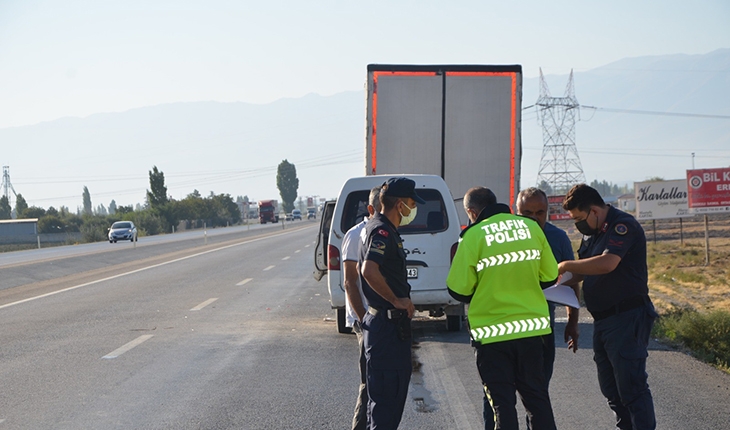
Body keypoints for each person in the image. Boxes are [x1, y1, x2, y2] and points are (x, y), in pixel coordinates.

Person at [447, 186, 558, 430]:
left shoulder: (472, 236)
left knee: (502, 405)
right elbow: (549, 277)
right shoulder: (531, 228)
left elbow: (459, 291)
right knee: (538, 401)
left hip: (491, 337)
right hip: (532, 332)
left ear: (472, 212)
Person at [558, 183, 657, 430]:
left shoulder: (622, 226)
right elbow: (584, 270)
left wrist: (567, 265)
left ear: (594, 211)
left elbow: (607, 263)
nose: (577, 224)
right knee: (611, 389)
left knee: (631, 387)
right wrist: (551, 283)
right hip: (603, 321)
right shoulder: (593, 233)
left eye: (579, 218)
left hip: (627, 317)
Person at [360, 177, 422, 430]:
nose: (414, 207)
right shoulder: (382, 231)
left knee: (389, 403)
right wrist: (396, 300)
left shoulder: (384, 229)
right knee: (386, 406)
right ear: (400, 205)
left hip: (389, 329)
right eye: (412, 203)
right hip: (385, 330)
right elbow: (368, 270)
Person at [342, 186, 381, 430]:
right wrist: (363, 319)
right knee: (369, 381)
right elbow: (349, 280)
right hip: (365, 319)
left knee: (380, 382)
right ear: (371, 209)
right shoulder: (356, 235)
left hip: (380, 318)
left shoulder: (383, 232)